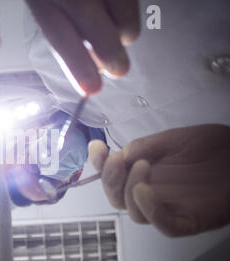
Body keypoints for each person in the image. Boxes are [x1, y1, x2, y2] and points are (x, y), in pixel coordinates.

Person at [20, 0, 230, 236]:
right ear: (76, 176)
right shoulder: (151, 159)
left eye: (31, 166)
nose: (44, 163)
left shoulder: (44, 56)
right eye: (45, 180)